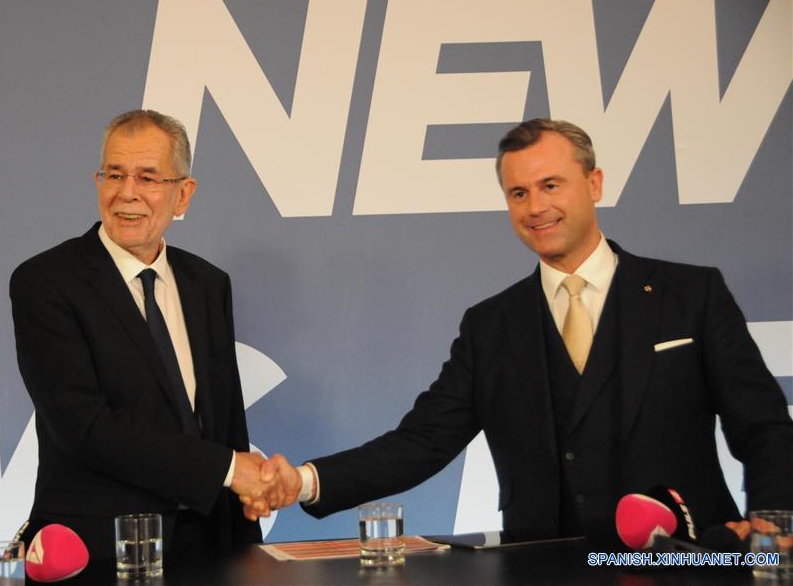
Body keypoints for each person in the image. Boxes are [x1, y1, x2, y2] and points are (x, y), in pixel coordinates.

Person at [249, 119, 793, 543]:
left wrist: (774, 525)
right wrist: (305, 481)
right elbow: (420, 443)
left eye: (550, 185)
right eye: (518, 193)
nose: (536, 208)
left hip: (691, 558)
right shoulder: (491, 326)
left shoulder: (691, 294)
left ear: (594, 183)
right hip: (544, 566)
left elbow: (762, 424)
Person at [10, 110, 286, 561]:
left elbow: (225, 424)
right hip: (98, 552)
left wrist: (246, 539)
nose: (127, 192)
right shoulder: (46, 282)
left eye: (148, 177)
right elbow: (84, 428)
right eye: (114, 174)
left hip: (209, 545)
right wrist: (230, 470)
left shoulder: (207, 284)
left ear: (183, 194)